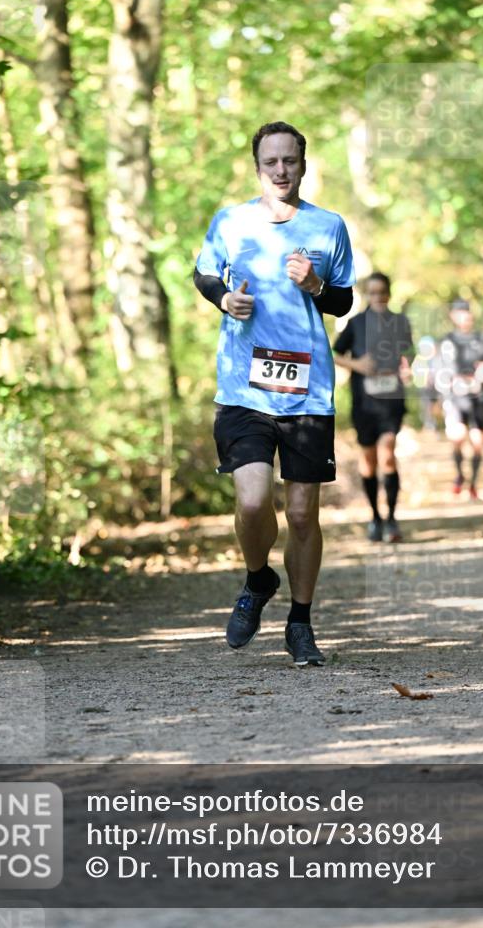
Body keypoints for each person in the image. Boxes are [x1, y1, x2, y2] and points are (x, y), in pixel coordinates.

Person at [193, 121, 355, 666]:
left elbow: (342, 301)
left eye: (290, 161)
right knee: (252, 499)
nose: (281, 170)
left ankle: (300, 622)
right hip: (243, 386)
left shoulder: (329, 226)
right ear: (257, 167)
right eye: (271, 162)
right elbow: (203, 275)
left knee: (304, 515)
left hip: (308, 392)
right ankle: (258, 578)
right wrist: (223, 299)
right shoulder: (231, 221)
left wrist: (315, 286)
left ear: (303, 165)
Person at [332, 273, 413, 543]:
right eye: (373, 292)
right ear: (367, 294)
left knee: (388, 452)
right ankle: (375, 518)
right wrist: (358, 365)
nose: (378, 297)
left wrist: (406, 367)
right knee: (368, 459)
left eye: (382, 292)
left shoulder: (400, 322)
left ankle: (391, 519)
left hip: (392, 400)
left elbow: (408, 354)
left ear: (389, 293)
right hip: (364, 402)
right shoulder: (356, 323)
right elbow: (335, 353)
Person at [435, 299, 483, 500]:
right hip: (454, 397)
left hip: (478, 397)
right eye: (460, 313)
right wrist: (441, 396)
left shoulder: (482, 339)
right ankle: (460, 474)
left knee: (477, 441)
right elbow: (439, 371)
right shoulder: (446, 341)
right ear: (452, 316)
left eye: (467, 312)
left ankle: (474, 484)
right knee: (458, 436)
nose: (464, 317)